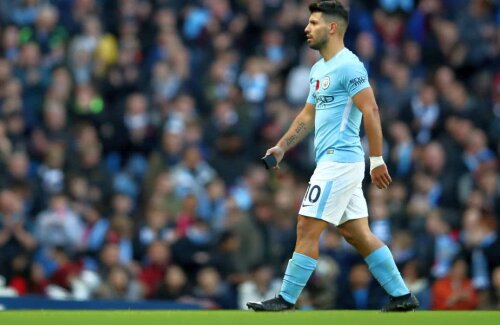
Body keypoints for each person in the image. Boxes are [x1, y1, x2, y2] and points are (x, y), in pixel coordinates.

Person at [246, 1, 419, 312]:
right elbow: (306, 115)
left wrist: (377, 160)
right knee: (357, 234)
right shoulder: (318, 68)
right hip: (331, 161)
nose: (306, 28)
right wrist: (283, 146)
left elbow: (371, 110)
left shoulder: (350, 66)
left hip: (341, 160)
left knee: (306, 224)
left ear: (333, 27)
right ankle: (402, 295)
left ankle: (285, 299)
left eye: (313, 23)